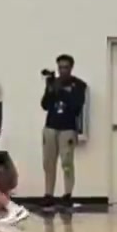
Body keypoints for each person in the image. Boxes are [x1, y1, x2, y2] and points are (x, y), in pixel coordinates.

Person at [41, 54, 86, 210]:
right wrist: (50, 89)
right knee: (48, 162)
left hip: (67, 128)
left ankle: (67, 194)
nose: (63, 71)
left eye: (66, 67)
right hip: (51, 126)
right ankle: (48, 194)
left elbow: (77, 106)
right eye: (60, 68)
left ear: (71, 68)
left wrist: (62, 91)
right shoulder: (53, 83)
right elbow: (44, 105)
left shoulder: (78, 85)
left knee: (67, 162)